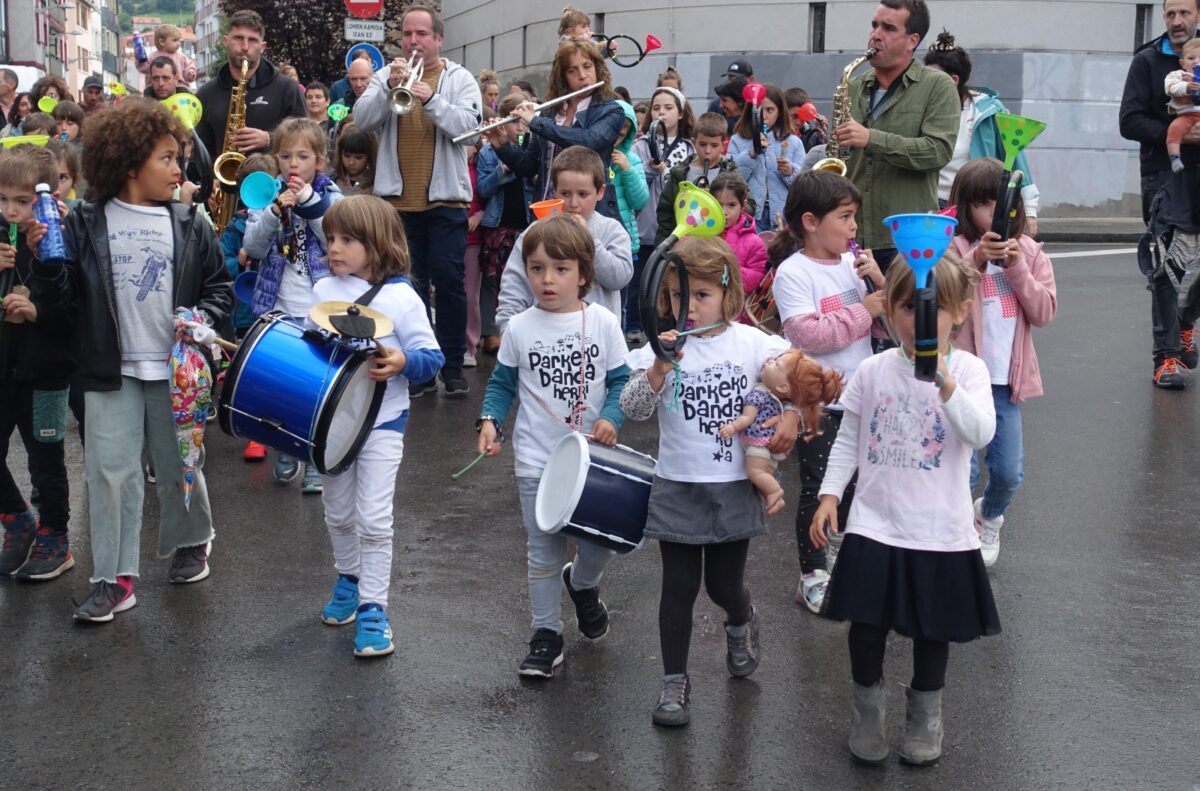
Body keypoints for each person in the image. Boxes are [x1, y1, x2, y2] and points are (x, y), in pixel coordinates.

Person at [811, 253, 999, 767]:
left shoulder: (970, 370)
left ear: (958, 311)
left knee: (931, 631)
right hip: (875, 523)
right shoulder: (873, 370)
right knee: (866, 628)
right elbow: (848, 439)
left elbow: (981, 433)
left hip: (940, 529)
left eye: (932, 308)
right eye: (906, 307)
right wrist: (830, 495)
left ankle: (925, 720)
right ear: (889, 312)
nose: (918, 320)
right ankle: (866, 715)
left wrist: (945, 382)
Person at [60, 97, 230, 621]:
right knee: (108, 474)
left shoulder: (189, 221)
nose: (179, 169)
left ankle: (193, 540)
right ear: (130, 163)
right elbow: (65, 294)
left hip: (173, 369)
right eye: (166, 158)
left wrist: (200, 315)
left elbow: (221, 289)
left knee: (179, 461)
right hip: (108, 370)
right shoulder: (84, 221)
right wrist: (41, 268)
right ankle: (115, 578)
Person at [621, 236, 800, 727]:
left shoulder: (752, 343)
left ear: (728, 294)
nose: (689, 307)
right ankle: (673, 683)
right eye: (679, 296)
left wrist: (791, 414)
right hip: (678, 483)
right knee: (678, 586)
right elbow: (634, 410)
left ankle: (742, 619)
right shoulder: (662, 348)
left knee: (723, 585)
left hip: (732, 484)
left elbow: (796, 375)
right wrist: (659, 364)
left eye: (701, 295)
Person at [476, 214, 630, 677]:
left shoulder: (602, 322)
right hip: (536, 459)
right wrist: (489, 421)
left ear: (584, 274)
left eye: (560, 269)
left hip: (592, 461)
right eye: (537, 268)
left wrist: (611, 417)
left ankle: (582, 585)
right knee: (543, 549)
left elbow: (622, 381)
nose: (547, 279)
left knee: (598, 544)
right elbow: (502, 385)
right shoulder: (520, 327)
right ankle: (546, 634)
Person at [312, 196, 444, 657]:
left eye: (348, 239)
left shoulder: (402, 297)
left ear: (378, 243)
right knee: (338, 513)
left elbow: (432, 359)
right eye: (330, 238)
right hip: (330, 425)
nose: (335, 248)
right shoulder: (321, 289)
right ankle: (348, 577)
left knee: (373, 517)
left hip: (384, 421)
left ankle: (373, 607)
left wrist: (404, 360)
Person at [352, 4, 482, 399]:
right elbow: (361, 121)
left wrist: (431, 100)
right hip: (396, 203)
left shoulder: (459, 79)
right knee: (409, 287)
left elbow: (471, 131)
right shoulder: (383, 75)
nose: (413, 41)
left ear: (438, 39)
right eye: (407, 34)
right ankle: (421, 369)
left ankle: (454, 366)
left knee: (449, 281)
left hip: (446, 202)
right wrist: (389, 88)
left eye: (421, 34)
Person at [770, 170, 884, 613]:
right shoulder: (792, 274)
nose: (854, 227)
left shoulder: (854, 267)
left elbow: (892, 325)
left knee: (857, 485)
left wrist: (881, 284)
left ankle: (841, 558)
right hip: (818, 402)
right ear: (811, 222)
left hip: (862, 395)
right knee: (819, 487)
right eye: (846, 217)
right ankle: (813, 573)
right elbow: (807, 333)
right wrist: (863, 308)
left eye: (855, 217)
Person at [947, 157, 1056, 567]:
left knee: (1008, 472)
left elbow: (1044, 312)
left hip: (1006, 383)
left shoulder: (1030, 251)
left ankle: (988, 516)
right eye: (985, 205)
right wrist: (975, 260)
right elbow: (940, 293)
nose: (996, 215)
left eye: (1004, 205)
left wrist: (1017, 268)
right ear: (967, 208)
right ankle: (956, 537)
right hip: (962, 379)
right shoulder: (956, 248)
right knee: (964, 471)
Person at [242, 117, 343, 492]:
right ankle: (287, 447)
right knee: (281, 380)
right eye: (285, 156)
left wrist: (308, 203)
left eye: (303, 156)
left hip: (319, 304)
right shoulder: (264, 195)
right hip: (278, 304)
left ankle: (314, 456)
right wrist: (272, 213)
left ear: (319, 160)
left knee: (315, 384)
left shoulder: (330, 193)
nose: (293, 164)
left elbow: (336, 237)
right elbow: (252, 248)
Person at [836, 0, 959, 272]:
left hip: (907, 238)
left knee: (905, 315)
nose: (876, 35)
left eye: (889, 28)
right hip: (852, 234)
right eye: (874, 25)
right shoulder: (853, 86)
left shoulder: (937, 86)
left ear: (912, 41)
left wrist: (871, 138)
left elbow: (937, 151)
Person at [0, 143, 76, 581]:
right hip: (3, 369)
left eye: (22, 201)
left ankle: (55, 536)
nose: (11, 210)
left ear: (43, 199)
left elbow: (70, 313)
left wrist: (38, 309)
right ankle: (16, 518)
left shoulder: (57, 238)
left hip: (44, 372)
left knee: (45, 461)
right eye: (3, 198)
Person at [1121, 0, 1200, 388]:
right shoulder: (1148, 61)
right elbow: (1129, 120)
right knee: (1168, 266)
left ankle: (1185, 323)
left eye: (1184, 13)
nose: (1176, 21)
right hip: (1164, 174)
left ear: (1198, 15)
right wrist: (1180, 132)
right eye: (1170, 14)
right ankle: (1166, 357)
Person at [495, 146, 632, 332]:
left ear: (600, 192)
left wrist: (589, 240)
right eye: (565, 194)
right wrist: (508, 328)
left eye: (583, 194)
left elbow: (620, 277)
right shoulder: (537, 231)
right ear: (555, 190)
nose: (573, 203)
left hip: (597, 340)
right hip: (544, 338)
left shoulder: (611, 230)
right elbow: (515, 283)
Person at [495, 39, 625, 222]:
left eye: (587, 66)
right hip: (547, 214)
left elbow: (588, 141)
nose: (582, 75)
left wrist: (536, 122)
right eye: (572, 70)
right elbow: (529, 166)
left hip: (590, 215)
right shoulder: (551, 112)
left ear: (597, 68)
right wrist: (501, 144)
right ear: (563, 77)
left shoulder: (612, 110)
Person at [923, 31, 1040, 233]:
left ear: (954, 80)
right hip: (931, 209)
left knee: (977, 262)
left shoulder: (989, 111)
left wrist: (1029, 211)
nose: (924, 84)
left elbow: (1016, 158)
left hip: (975, 208)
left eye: (931, 78)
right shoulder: (919, 109)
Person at [719, 350, 842, 515]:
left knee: (755, 473)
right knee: (765, 474)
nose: (769, 361)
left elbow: (747, 418)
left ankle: (774, 492)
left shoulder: (758, 395)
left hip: (758, 444)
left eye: (776, 364)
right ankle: (774, 498)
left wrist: (732, 427)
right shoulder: (779, 399)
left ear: (783, 387)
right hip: (770, 445)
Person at [195, 9, 306, 178]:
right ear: (225, 41)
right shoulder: (206, 93)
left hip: (273, 187)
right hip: (223, 186)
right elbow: (201, 149)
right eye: (238, 38)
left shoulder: (288, 88)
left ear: (262, 47)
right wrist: (210, 183)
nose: (245, 47)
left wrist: (269, 139)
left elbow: (305, 136)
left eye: (252, 40)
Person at [629, 86, 696, 341]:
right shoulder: (641, 146)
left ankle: (667, 324)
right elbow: (633, 181)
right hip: (646, 225)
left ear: (680, 113)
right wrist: (649, 170)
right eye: (656, 107)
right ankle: (635, 324)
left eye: (668, 108)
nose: (661, 112)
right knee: (641, 278)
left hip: (675, 228)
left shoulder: (690, 147)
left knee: (669, 278)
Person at [475, 93, 532, 352]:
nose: (519, 128)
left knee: (524, 279)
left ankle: (521, 330)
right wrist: (503, 171)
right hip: (498, 225)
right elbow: (483, 189)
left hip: (526, 222)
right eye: (513, 122)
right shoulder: (489, 151)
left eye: (523, 122)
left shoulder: (531, 148)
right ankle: (490, 332)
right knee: (492, 280)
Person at [654, 112, 748, 247]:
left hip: (718, 245)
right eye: (702, 144)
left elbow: (748, 205)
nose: (708, 151)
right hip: (684, 244)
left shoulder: (731, 173)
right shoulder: (680, 173)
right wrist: (665, 248)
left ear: (724, 144)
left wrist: (717, 202)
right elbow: (665, 211)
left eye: (714, 145)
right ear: (693, 142)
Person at [729, 83, 805, 232]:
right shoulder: (738, 140)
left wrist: (790, 172)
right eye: (758, 110)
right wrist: (751, 155)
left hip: (783, 215)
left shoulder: (793, 142)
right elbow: (730, 178)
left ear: (780, 112)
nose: (763, 115)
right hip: (750, 215)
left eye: (770, 110)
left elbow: (804, 183)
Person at [708, 172, 767, 311]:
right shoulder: (700, 233)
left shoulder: (754, 242)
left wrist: (725, 270)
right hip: (702, 309)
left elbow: (757, 279)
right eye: (718, 204)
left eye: (731, 205)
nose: (724, 211)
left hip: (735, 312)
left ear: (743, 206)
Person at [609, 100, 650, 262]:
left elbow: (640, 201)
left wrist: (628, 170)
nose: (613, 138)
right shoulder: (592, 156)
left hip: (625, 240)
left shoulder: (631, 159)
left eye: (620, 136)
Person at [1165, 38, 1200, 173]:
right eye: (1191, 58)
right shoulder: (1178, 75)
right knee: (1174, 128)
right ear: (1182, 62)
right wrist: (1186, 87)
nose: (1196, 61)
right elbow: (1170, 87)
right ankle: (1174, 157)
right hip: (1186, 115)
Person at [135, 23, 198, 89]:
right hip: (155, 87)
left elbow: (189, 66)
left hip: (178, 86)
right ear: (162, 42)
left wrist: (190, 73)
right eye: (175, 40)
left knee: (186, 93)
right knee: (148, 92)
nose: (179, 44)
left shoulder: (181, 56)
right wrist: (140, 60)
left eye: (179, 40)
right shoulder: (153, 57)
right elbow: (143, 68)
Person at [333, 125, 377, 195]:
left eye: (358, 158)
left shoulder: (376, 184)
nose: (351, 162)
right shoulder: (333, 180)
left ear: (369, 157)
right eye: (347, 156)